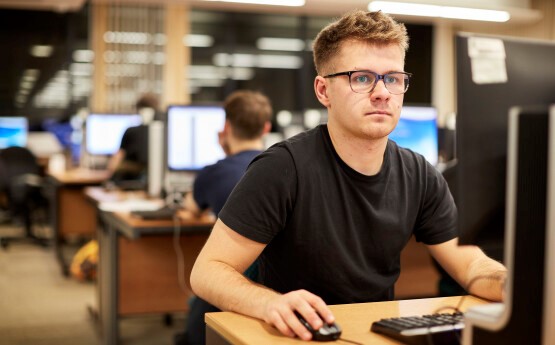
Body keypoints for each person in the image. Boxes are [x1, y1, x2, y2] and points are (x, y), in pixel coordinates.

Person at [190, 10, 507, 342]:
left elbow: (470, 265)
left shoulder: (419, 174)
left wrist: (509, 283)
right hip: (295, 336)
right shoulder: (283, 167)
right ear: (323, 91)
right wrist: (269, 303)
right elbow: (207, 272)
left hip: (373, 335)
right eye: (362, 78)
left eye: (393, 78)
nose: (382, 92)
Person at [175, 90, 273, 345]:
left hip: (233, 282)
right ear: (266, 128)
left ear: (226, 127)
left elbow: (190, 209)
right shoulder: (281, 169)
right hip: (274, 287)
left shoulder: (214, 172)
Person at [107, 93, 159, 184]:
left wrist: (107, 177)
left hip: (127, 182)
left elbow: (117, 158)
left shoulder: (130, 131)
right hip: (152, 182)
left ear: (138, 110)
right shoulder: (161, 133)